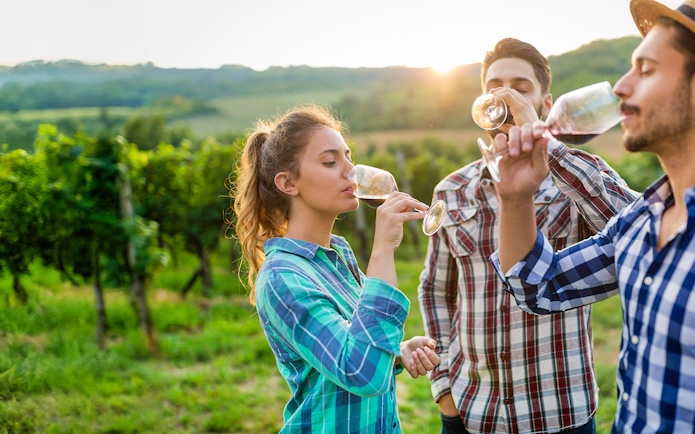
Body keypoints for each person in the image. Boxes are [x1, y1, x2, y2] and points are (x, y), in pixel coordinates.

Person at [491, 1, 695, 432]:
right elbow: (538, 286)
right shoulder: (641, 221)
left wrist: (554, 149)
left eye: (646, 69)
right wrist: (515, 197)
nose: (621, 87)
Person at [417, 38, 638, 433]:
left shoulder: (575, 178)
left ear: (546, 103)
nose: (504, 96)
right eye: (494, 87)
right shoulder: (450, 191)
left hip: (560, 411)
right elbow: (435, 289)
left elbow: (640, 229)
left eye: (520, 88)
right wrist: (445, 389)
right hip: (472, 411)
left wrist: (546, 144)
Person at [229, 104, 441, 433]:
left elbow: (351, 342)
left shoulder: (338, 255)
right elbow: (361, 373)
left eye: (348, 156)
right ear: (288, 183)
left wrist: (396, 351)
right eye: (330, 162)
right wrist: (383, 248)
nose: (351, 171)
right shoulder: (283, 278)